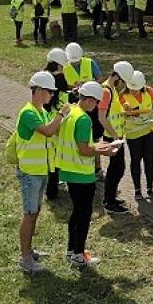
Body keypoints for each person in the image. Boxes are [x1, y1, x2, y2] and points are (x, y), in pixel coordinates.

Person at [55, 81, 117, 268]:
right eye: (96, 101)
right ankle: (79, 254)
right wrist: (103, 151)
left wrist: (96, 146)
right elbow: (83, 149)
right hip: (82, 173)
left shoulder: (70, 111)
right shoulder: (84, 119)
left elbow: (78, 144)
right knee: (83, 215)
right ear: (89, 99)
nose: (96, 106)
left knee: (76, 213)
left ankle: (72, 250)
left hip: (69, 170)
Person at [11, 71, 69, 274]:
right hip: (30, 172)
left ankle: (29, 250)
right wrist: (62, 114)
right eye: (50, 92)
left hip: (41, 171)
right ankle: (25, 258)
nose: (52, 96)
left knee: (34, 213)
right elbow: (47, 131)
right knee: (29, 214)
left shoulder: (42, 112)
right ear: (39, 90)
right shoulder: (28, 113)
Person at [121, 70, 153, 199]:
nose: (134, 91)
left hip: (150, 129)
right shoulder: (122, 95)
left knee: (149, 158)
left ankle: (150, 188)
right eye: (131, 89)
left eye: (136, 89)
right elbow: (121, 109)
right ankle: (137, 190)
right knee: (135, 159)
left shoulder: (149, 90)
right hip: (134, 133)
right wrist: (126, 109)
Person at [97, 60, 135, 214]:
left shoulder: (112, 89)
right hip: (112, 137)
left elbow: (113, 112)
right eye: (123, 81)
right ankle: (109, 202)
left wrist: (124, 109)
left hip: (117, 136)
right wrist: (115, 137)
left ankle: (110, 198)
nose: (123, 85)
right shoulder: (106, 90)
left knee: (117, 169)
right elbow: (102, 117)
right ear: (117, 77)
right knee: (116, 170)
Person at [43, 47, 70, 200]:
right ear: (59, 64)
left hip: (45, 119)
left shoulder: (42, 76)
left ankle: (50, 187)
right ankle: (52, 190)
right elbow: (64, 97)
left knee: (49, 157)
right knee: (55, 157)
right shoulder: (59, 78)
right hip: (58, 119)